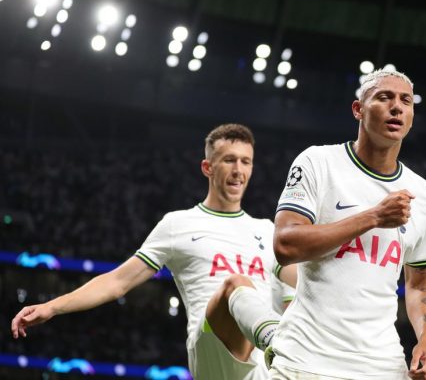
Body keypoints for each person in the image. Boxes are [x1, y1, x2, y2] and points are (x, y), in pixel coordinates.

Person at [11, 123, 295, 380]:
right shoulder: (178, 224)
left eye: (246, 162)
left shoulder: (267, 230)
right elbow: (117, 282)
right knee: (236, 284)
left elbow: (301, 286)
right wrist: (51, 307)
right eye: (229, 160)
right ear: (207, 167)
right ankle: (274, 339)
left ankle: (282, 346)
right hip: (212, 350)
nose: (238, 170)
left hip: (263, 368)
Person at [271, 68, 426, 379]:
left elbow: (419, 284)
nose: (396, 107)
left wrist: (425, 340)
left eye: (406, 101)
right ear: (358, 109)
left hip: (382, 365)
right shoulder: (318, 163)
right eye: (384, 97)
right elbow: (285, 244)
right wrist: (374, 216)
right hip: (305, 360)